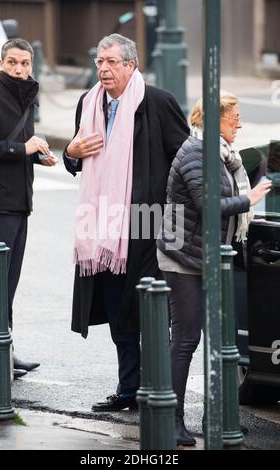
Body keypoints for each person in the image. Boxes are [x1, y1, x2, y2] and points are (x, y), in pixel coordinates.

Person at [63, 33, 189, 411]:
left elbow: (184, 163)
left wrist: (173, 219)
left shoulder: (157, 102)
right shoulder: (88, 103)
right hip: (103, 224)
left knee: (150, 307)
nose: (103, 68)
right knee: (119, 310)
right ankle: (129, 388)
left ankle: (158, 389)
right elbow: (75, 158)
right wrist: (70, 152)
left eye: (111, 62)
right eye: (99, 62)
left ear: (131, 66)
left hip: (149, 222)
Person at [157, 91, 272, 445]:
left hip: (206, 255)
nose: (239, 123)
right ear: (211, 119)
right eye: (232, 116)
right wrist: (248, 199)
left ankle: (214, 418)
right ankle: (170, 420)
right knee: (187, 338)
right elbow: (208, 203)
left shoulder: (223, 154)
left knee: (219, 342)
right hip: (182, 257)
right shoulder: (196, 152)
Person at [0, 38, 57, 378]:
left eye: (25, 63)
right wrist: (22, 149)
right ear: (2, 63)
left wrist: (39, 156)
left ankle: (6, 349)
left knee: (8, 284)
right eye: (12, 62)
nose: (19, 69)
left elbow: (17, 147)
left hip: (20, 203)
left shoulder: (26, 97)